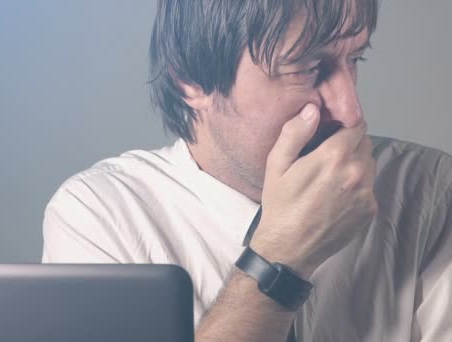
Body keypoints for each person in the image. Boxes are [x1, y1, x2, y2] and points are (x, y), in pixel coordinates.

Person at [42, 1, 452, 341]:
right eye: (307, 68)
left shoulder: (431, 191)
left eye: (355, 59)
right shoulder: (100, 217)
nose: (351, 111)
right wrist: (280, 259)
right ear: (191, 80)